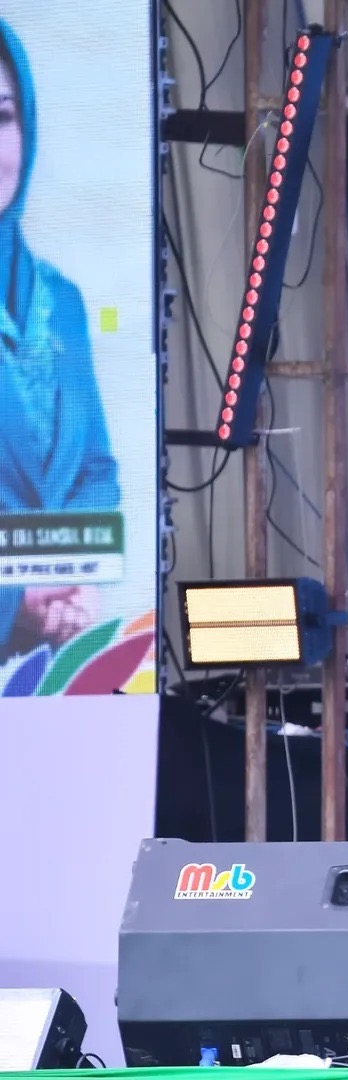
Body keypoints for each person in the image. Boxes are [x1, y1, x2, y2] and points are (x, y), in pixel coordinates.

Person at [0, 17, 119, 663]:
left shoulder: (63, 302)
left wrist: (75, 577)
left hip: (56, 662)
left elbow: (96, 468)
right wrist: (17, 600)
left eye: (2, 117)